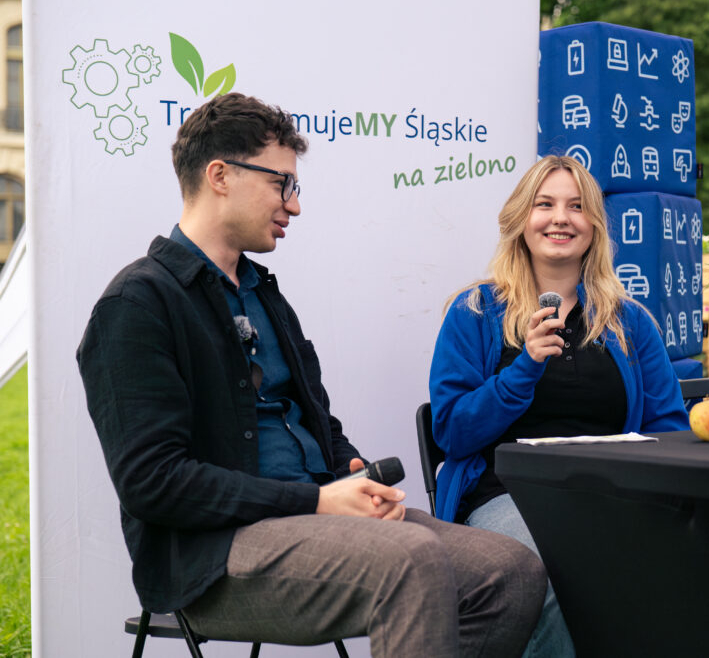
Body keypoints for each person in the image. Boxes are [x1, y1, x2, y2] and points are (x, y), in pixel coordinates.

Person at [77, 93, 546, 657]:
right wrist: (318, 503)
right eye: (282, 184)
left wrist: (351, 474)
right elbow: (154, 484)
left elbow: (319, 422)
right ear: (220, 175)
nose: (293, 206)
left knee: (510, 567)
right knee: (409, 561)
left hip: (314, 521)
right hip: (211, 558)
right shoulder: (136, 304)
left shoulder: (264, 296)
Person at [428, 155, 690, 657]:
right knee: (541, 573)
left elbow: (669, 431)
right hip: (506, 496)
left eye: (576, 206)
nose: (560, 218)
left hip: (611, 496)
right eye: (544, 204)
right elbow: (452, 431)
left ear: (593, 225)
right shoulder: (475, 312)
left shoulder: (630, 322)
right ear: (521, 220)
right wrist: (524, 367)